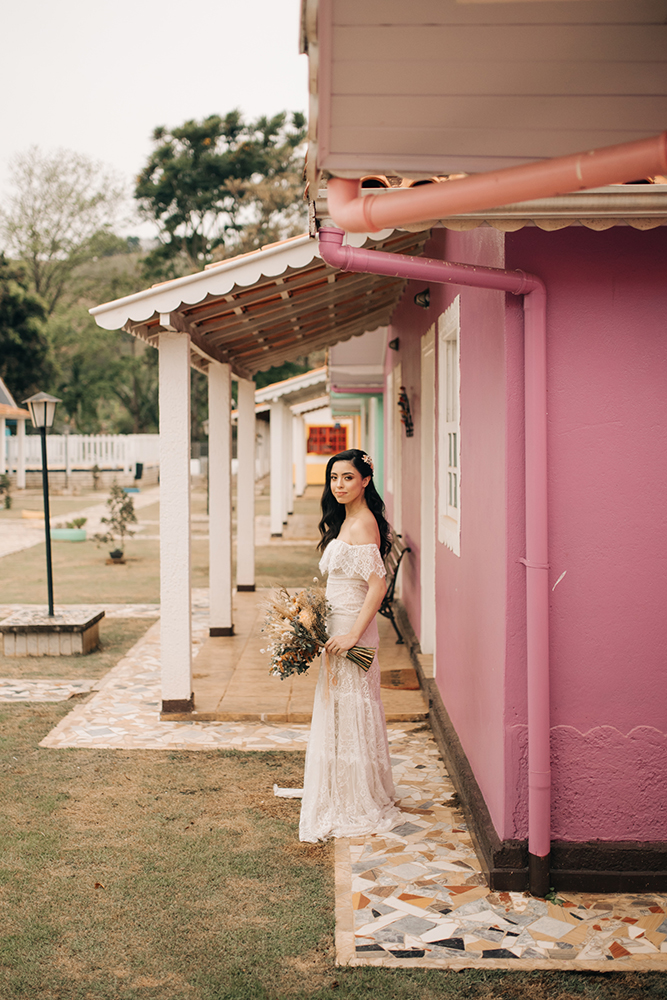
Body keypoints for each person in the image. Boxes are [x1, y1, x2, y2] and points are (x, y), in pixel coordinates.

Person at [299, 449, 401, 842]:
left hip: (351, 631)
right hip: (337, 626)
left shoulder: (363, 525)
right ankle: (341, 786)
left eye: (347, 477)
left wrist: (354, 635)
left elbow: (377, 587)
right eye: (333, 478)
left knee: (352, 706)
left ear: (365, 481)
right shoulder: (346, 521)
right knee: (338, 707)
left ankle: (354, 797)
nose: (338, 485)